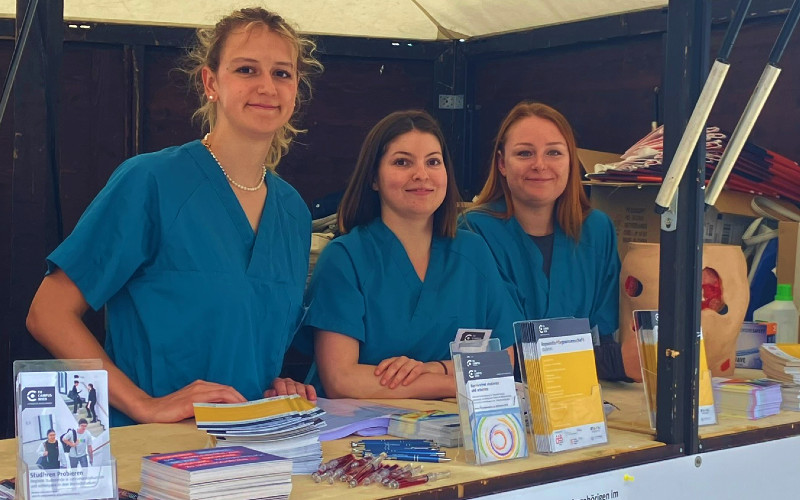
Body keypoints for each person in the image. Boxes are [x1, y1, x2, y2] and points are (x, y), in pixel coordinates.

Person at [26, 7, 324, 427]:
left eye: (282, 73)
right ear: (211, 83)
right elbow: (48, 312)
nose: (266, 86)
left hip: (252, 450)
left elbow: (241, 335)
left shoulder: (291, 210)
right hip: (154, 458)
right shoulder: (150, 182)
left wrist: (274, 383)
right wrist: (144, 404)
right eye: (246, 69)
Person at [302, 110, 522, 399]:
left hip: (455, 432)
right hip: (359, 435)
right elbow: (341, 379)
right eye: (402, 162)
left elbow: (503, 360)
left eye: (433, 161)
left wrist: (432, 368)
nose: (421, 174)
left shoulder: (473, 253)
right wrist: (462, 380)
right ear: (373, 178)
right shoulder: (345, 258)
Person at [462, 101, 626, 380]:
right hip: (504, 401)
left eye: (554, 152)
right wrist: (613, 363)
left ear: (571, 161)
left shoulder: (597, 230)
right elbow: (493, 354)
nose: (540, 165)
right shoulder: (473, 233)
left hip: (584, 400)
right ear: (502, 163)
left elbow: (603, 336)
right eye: (524, 153)